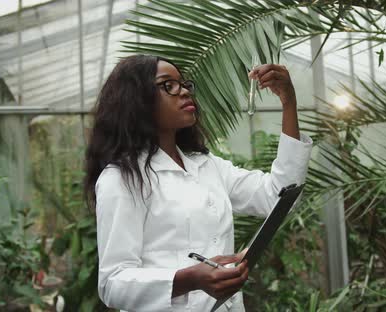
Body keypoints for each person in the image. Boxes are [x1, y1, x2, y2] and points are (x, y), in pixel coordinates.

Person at [84, 54, 313, 312]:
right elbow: (112, 283)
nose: (183, 91)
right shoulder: (122, 178)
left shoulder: (206, 166)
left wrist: (289, 102)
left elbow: (279, 197)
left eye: (184, 84)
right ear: (136, 100)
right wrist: (190, 278)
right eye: (168, 85)